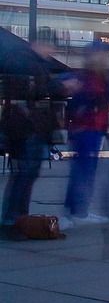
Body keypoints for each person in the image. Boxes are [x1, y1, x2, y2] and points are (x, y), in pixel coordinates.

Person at [63, 46, 109, 224]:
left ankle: (78, 211)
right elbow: (80, 102)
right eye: (103, 54)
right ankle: (77, 212)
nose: (106, 57)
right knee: (84, 171)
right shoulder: (88, 78)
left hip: (94, 128)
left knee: (85, 170)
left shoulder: (99, 77)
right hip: (87, 128)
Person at [1, 95, 58, 231]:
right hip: (28, 128)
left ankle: (16, 217)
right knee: (24, 177)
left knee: (23, 177)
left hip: (27, 127)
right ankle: (15, 217)